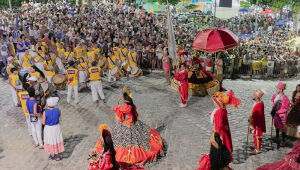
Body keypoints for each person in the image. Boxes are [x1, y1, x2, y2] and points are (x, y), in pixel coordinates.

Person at [95, 87, 164, 164]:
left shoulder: (126, 107)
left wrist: (115, 108)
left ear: (125, 101)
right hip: (134, 122)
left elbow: (120, 109)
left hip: (128, 123)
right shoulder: (132, 106)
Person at [210, 90, 241, 161]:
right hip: (224, 131)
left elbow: (219, 125)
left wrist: (215, 134)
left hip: (220, 133)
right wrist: (213, 113)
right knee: (225, 144)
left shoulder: (218, 113)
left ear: (218, 103)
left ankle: (221, 159)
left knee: (220, 146)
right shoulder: (223, 110)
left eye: (215, 102)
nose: (214, 103)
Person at [42, 97, 64, 161]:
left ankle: (52, 154)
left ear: (48, 104)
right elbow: (59, 116)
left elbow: (43, 123)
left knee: (50, 140)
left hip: (49, 129)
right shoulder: (58, 110)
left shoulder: (45, 112)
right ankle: (58, 156)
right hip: (56, 127)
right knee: (57, 140)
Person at [271, 82, 290, 147]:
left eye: (277, 88)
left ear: (281, 89)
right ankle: (277, 136)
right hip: (276, 113)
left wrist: (280, 111)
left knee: (282, 127)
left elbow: (286, 107)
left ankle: (283, 140)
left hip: (282, 114)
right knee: (276, 124)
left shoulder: (285, 98)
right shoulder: (275, 95)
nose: (276, 89)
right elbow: (273, 103)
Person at [249, 89, 266, 155]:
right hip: (254, 122)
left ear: (257, 97)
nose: (252, 96)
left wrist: (252, 122)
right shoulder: (258, 103)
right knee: (254, 135)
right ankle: (256, 146)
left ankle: (257, 149)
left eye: (254, 95)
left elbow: (258, 116)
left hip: (257, 124)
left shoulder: (259, 105)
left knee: (257, 136)